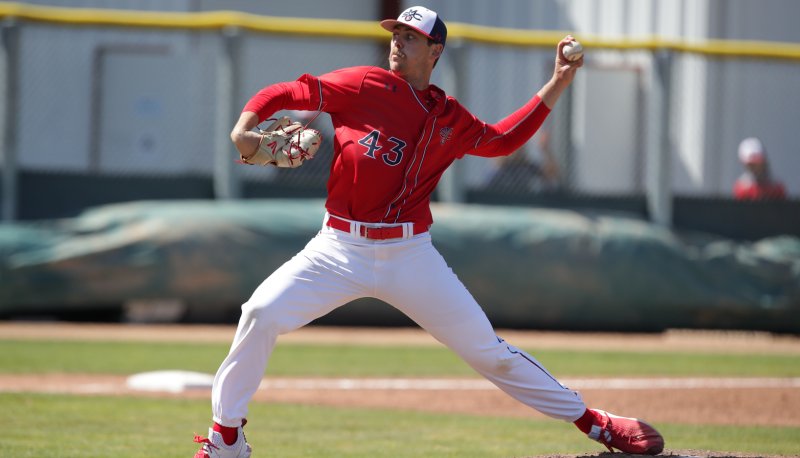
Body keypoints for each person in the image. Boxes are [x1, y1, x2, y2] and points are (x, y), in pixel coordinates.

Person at [192, 6, 664, 457]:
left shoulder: (449, 118)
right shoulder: (362, 84)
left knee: (491, 353)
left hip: (409, 256)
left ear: (435, 51)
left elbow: (503, 140)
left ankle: (595, 422)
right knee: (259, 312)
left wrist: (559, 81)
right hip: (337, 249)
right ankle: (225, 441)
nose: (397, 43)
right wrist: (244, 128)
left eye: (410, 37)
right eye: (396, 34)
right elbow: (290, 92)